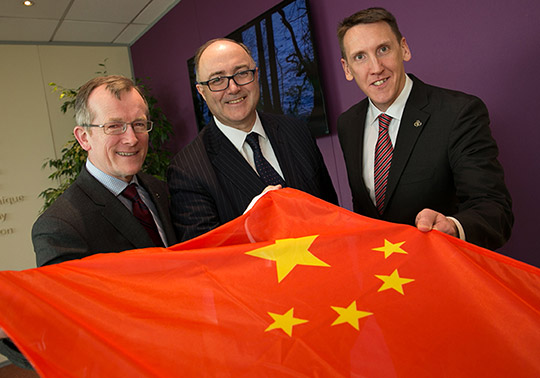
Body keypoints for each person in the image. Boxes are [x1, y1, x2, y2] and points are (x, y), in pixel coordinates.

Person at [0, 75, 177, 368]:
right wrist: (13, 324)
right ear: (84, 137)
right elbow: (62, 328)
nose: (131, 138)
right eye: (114, 126)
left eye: (139, 124)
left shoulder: (159, 189)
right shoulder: (60, 224)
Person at [336, 7, 513, 250]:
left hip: (446, 272)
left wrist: (452, 226)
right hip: (385, 279)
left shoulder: (459, 112)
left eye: (383, 49)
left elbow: (494, 209)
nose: (375, 67)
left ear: (404, 49)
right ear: (347, 69)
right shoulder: (348, 124)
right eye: (360, 57)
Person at [168, 38, 338, 241]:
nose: (233, 88)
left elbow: (332, 212)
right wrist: (249, 224)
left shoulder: (297, 131)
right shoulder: (186, 170)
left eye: (241, 73)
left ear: (256, 75)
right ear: (202, 92)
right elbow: (206, 258)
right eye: (217, 80)